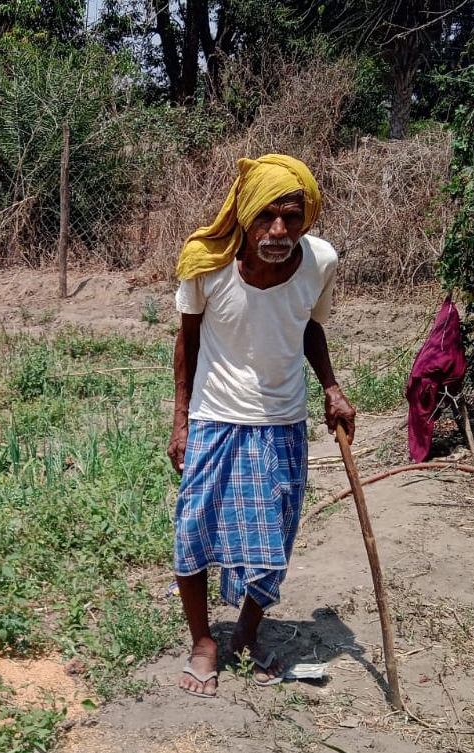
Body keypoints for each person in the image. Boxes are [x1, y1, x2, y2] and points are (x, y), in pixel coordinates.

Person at [167, 153, 356, 698]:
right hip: (215, 416)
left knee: (275, 536)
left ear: (306, 219)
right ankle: (203, 642)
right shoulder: (205, 262)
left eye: (292, 218)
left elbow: (309, 327)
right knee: (193, 530)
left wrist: (332, 388)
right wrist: (181, 420)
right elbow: (187, 341)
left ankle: (247, 633)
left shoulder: (320, 261)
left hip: (282, 420)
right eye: (266, 217)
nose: (278, 231)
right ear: (244, 216)